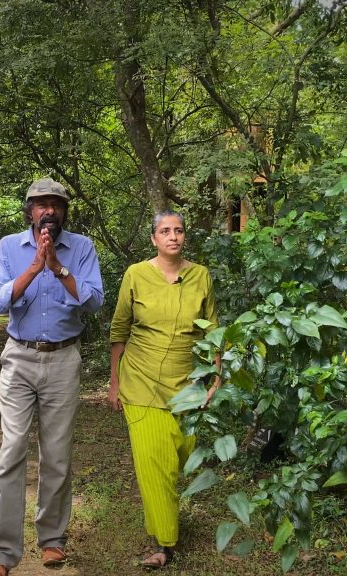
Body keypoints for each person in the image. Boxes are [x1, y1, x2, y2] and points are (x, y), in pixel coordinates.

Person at [0, 178, 104, 576]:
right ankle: (2, 552)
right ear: (29, 211)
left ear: (64, 210)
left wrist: (58, 267)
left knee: (56, 455)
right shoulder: (8, 246)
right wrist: (35, 267)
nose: (48, 210)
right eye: (40, 204)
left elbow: (94, 302)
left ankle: (52, 539)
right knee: (11, 450)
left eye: (56, 203)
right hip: (19, 357)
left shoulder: (82, 248)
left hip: (63, 359)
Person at [108, 210, 221, 569]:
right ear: (154, 238)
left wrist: (215, 377)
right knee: (155, 464)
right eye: (165, 231)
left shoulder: (200, 275)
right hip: (140, 382)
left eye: (179, 230)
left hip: (187, 384)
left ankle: (165, 516)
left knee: (180, 456)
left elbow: (213, 331)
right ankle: (164, 543)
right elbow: (119, 331)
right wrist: (115, 382)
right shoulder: (136, 275)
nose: (173, 236)